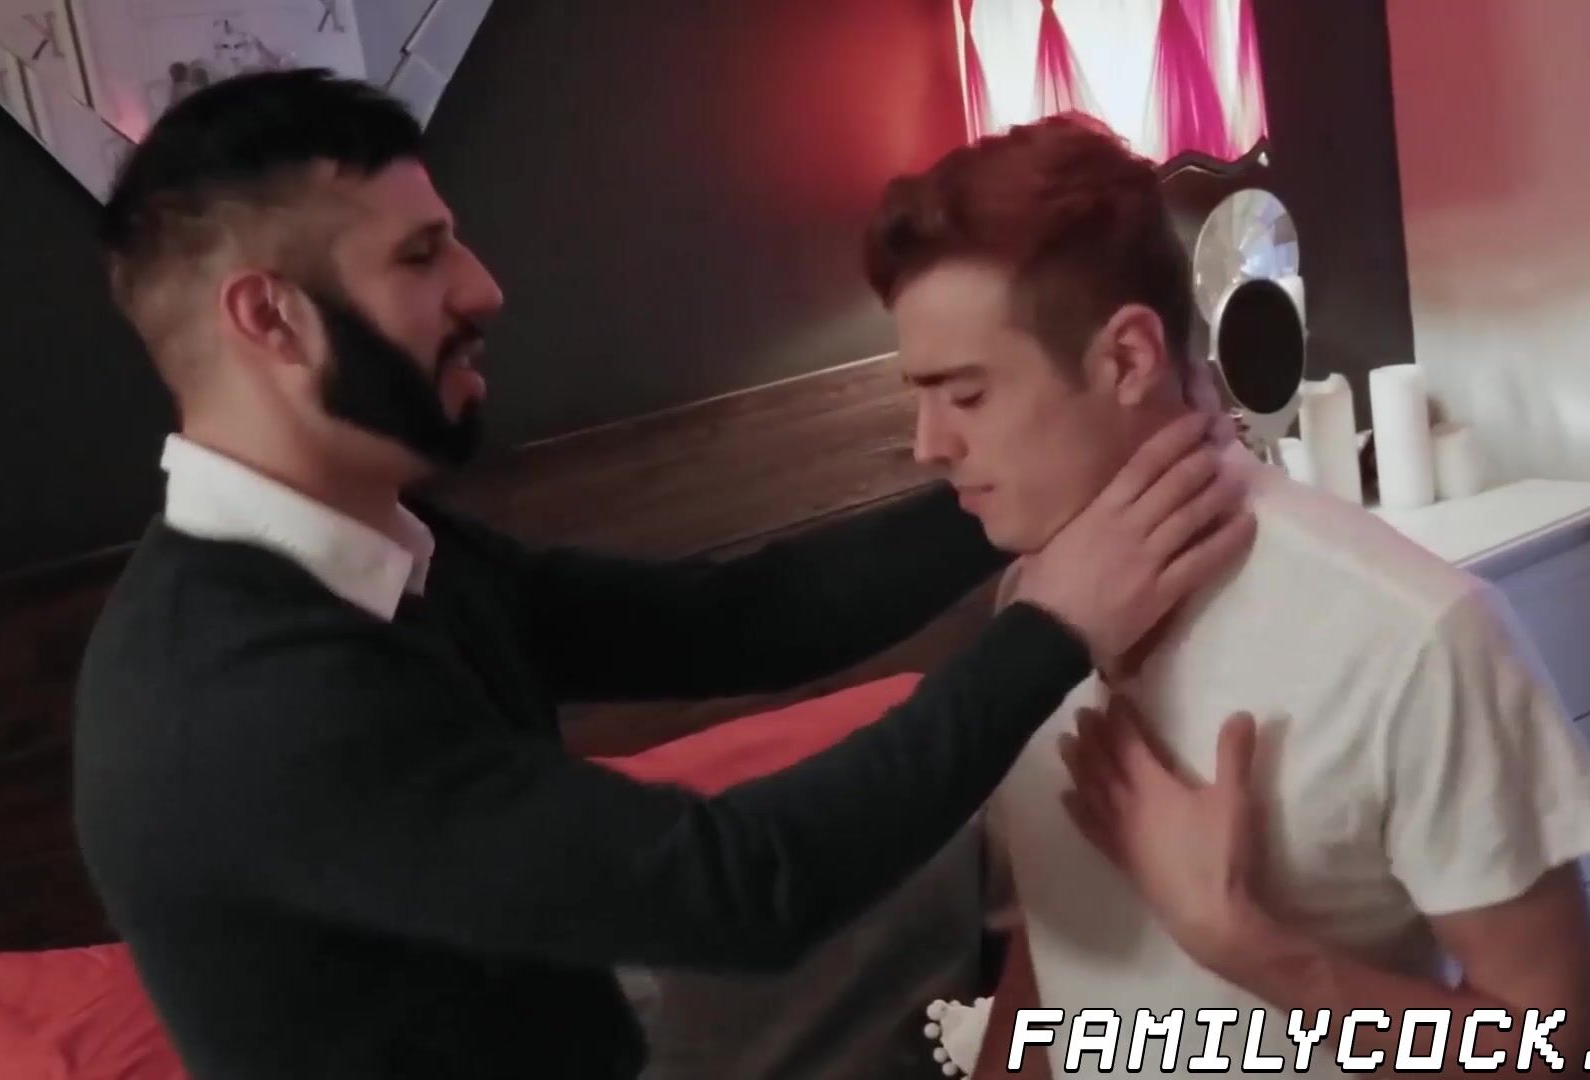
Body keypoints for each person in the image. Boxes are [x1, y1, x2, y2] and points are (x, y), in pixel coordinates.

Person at [70, 71, 1255, 1080]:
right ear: (269, 317)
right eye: (422, 256)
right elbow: (740, 887)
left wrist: (1020, 491)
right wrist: (1052, 627)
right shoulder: (242, 703)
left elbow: (737, 619)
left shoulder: (374, 542)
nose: (483, 288)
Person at [862, 113, 1590, 1077]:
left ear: (1128, 358)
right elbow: (1047, 958)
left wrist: (1247, 945)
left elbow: (1560, 1053)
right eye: (919, 396)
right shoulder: (1032, 611)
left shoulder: (1415, 638)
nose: (929, 444)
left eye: (967, 395)